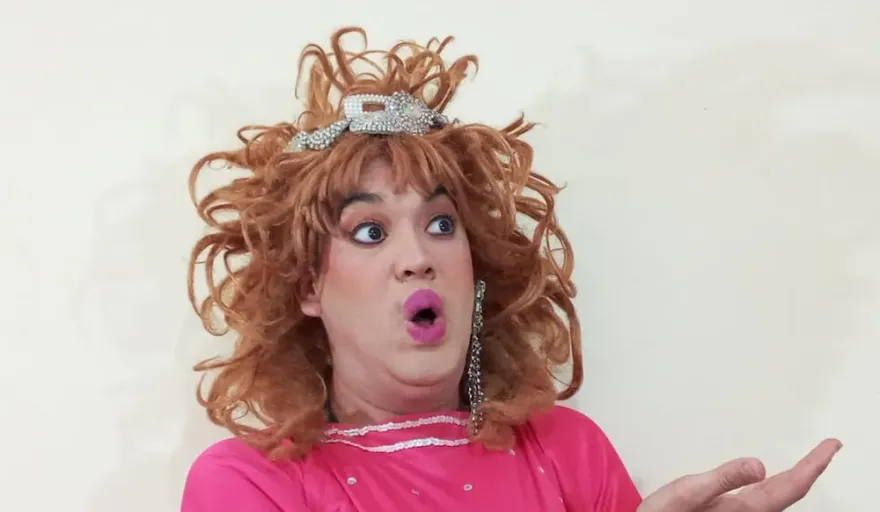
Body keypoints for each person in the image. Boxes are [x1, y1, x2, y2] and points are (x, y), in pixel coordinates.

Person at [180, 27, 841, 511]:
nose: (418, 258)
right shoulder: (248, 482)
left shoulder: (568, 449)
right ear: (308, 286)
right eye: (371, 231)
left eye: (442, 225)